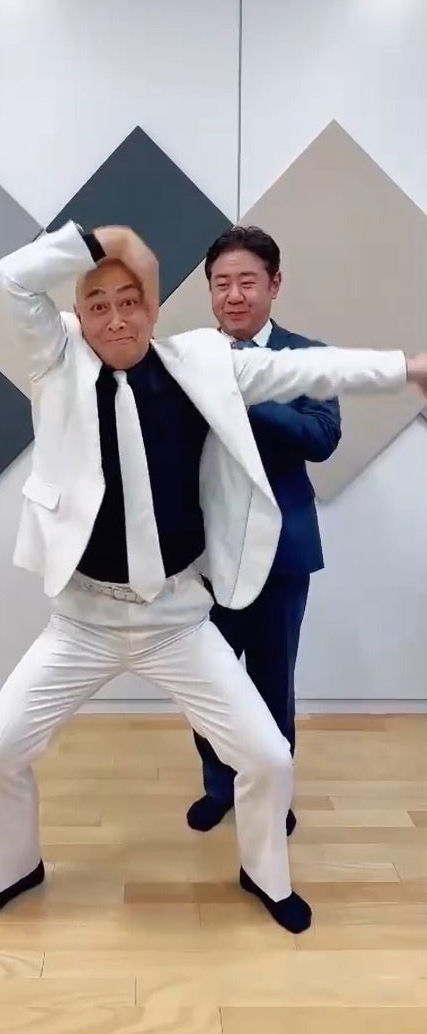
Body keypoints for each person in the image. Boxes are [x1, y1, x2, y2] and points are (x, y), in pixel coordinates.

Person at [0, 219, 427, 934]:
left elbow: (309, 371)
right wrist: (105, 240)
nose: (115, 318)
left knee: (268, 757)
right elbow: (12, 277)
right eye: (97, 304)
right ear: (76, 315)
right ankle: (15, 867)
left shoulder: (200, 363)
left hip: (175, 617)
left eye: (129, 301)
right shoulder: (55, 360)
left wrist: (405, 368)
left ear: (153, 306)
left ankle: (263, 872)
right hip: (82, 620)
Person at [188, 225, 341, 836]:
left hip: (282, 553)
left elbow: (322, 438)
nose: (233, 295)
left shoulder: (309, 357)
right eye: (221, 283)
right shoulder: (187, 358)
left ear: (274, 285)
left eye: (247, 281)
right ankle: (219, 786)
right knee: (207, 683)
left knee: (273, 682)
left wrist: (246, 396)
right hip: (205, 554)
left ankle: (272, 794)